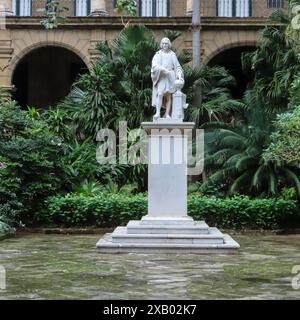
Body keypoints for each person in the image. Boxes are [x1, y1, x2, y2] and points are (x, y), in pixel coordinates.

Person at [151, 37, 184, 120]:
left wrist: (179, 75)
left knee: (169, 96)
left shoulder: (172, 54)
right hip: (162, 76)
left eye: (166, 43)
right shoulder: (158, 54)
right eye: (163, 43)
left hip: (170, 76)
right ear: (161, 45)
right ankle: (157, 113)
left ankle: (167, 114)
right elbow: (154, 65)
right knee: (160, 94)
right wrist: (163, 69)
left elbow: (177, 66)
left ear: (169, 45)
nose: (164, 45)